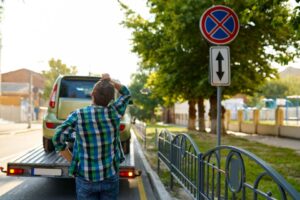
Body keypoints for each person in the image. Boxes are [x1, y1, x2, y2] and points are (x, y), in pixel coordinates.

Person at [52, 73, 131, 200]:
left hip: (85, 178)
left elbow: (57, 137)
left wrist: (72, 161)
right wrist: (110, 81)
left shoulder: (78, 115)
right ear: (111, 99)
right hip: (110, 176)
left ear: (92, 94)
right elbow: (126, 93)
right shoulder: (114, 112)